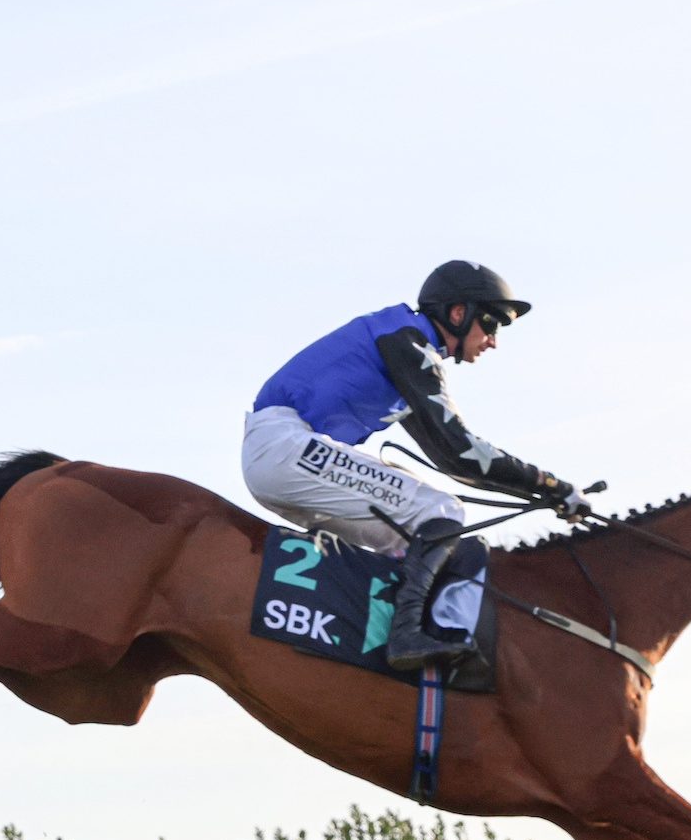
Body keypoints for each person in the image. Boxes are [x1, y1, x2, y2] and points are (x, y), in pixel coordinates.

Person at [243, 260, 589, 671]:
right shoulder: (408, 343)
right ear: (458, 314)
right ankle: (406, 635)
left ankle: (373, 634)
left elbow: (453, 461)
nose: (493, 341)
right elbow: (462, 452)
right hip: (285, 446)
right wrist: (550, 486)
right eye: (492, 324)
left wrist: (545, 493)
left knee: (416, 531)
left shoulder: (401, 346)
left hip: (282, 452)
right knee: (440, 510)